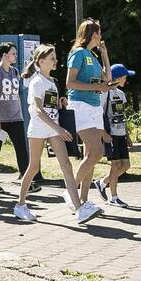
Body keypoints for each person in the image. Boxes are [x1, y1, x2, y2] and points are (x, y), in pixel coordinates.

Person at [12, 44, 95, 224]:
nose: (55, 61)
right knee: (33, 167)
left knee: (66, 165)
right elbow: (38, 110)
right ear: (41, 62)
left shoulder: (52, 82)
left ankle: (79, 209)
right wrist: (58, 129)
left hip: (53, 128)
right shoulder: (37, 82)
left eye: (55, 57)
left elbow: (50, 107)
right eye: (52, 58)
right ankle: (20, 205)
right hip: (39, 129)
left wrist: (60, 104)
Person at [64, 19, 114, 205]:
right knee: (96, 152)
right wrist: (95, 86)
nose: (101, 37)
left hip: (94, 107)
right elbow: (70, 83)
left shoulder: (92, 55)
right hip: (80, 105)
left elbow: (108, 80)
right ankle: (71, 191)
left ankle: (84, 201)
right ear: (94, 34)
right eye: (99, 33)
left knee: (90, 156)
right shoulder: (78, 53)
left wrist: (105, 55)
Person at [0, 41, 35, 194]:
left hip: (15, 118)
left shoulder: (14, 71)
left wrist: (20, 111)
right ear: (4, 55)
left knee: (22, 149)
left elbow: (17, 94)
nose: (15, 56)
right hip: (0, 119)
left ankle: (28, 181)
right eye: (13, 53)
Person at [95, 63, 134, 207]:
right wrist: (103, 133)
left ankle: (103, 182)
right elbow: (99, 113)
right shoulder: (105, 93)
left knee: (126, 165)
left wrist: (127, 135)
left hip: (121, 133)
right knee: (116, 164)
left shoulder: (121, 94)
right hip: (110, 133)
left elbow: (122, 115)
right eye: (125, 77)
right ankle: (114, 197)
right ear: (118, 77)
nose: (126, 80)